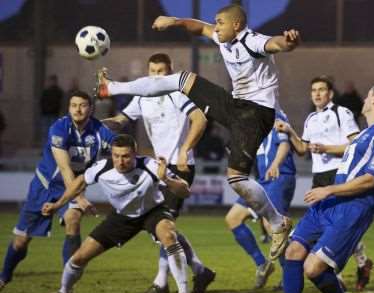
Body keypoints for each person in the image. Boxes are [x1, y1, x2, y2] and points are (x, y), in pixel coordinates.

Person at [95, 4, 300, 261]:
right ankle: (111, 88)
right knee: (182, 80)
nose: (216, 26)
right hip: (235, 107)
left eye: (221, 22)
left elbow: (277, 44)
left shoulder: (252, 41)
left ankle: (277, 223)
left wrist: (290, 41)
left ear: (236, 24)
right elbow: (200, 27)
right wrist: (174, 22)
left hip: (256, 114)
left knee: (236, 179)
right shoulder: (223, 38)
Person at [275, 82, 374, 293]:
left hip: (353, 208)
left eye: (367, 95)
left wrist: (329, 188)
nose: (363, 100)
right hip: (329, 202)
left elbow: (370, 179)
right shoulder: (365, 133)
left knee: (313, 268)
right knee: (292, 253)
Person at [102, 53, 215, 293]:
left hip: (179, 166)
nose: (157, 76)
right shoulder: (143, 97)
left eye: (162, 71)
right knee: (162, 227)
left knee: (163, 227)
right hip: (157, 168)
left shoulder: (177, 94)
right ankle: (199, 270)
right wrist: (94, 124)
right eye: (153, 71)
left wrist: (185, 150)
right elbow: (120, 121)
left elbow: (200, 119)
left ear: (171, 72)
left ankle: (161, 283)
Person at [37, 134, 196, 293]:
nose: (120, 161)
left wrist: (166, 179)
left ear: (135, 154)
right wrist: (58, 204)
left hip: (152, 211)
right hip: (122, 217)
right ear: (111, 154)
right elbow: (79, 183)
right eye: (116, 156)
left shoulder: (151, 165)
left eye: (126, 156)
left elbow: (185, 191)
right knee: (80, 256)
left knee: (169, 235)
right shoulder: (101, 168)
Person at [0, 91, 115, 293]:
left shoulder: (101, 131)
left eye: (82, 105)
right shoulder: (59, 129)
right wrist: (80, 197)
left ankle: (67, 288)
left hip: (72, 188)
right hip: (44, 188)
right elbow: (64, 168)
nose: (78, 109)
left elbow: (120, 149)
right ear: (68, 108)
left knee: (73, 219)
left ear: (90, 108)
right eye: (73, 105)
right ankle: (4, 277)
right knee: (21, 241)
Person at [276, 76, 374, 292]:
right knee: (327, 227)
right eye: (314, 90)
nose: (317, 94)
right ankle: (361, 262)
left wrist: (327, 149)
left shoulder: (342, 113)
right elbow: (303, 150)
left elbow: (356, 145)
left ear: (330, 93)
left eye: (321, 90)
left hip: (339, 177)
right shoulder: (311, 118)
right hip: (318, 178)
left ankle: (336, 274)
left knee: (333, 227)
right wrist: (290, 131)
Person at [225, 110, 296, 289]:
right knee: (233, 219)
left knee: (273, 226)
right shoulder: (250, 120)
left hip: (279, 176)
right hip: (262, 180)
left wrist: (275, 164)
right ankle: (262, 263)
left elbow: (284, 144)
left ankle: (290, 275)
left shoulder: (275, 115)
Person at [40, 75, 64, 140]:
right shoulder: (46, 91)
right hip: (46, 114)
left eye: (53, 81)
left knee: (54, 131)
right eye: (51, 81)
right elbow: (42, 102)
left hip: (54, 114)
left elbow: (60, 102)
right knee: (45, 131)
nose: (52, 82)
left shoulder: (59, 91)